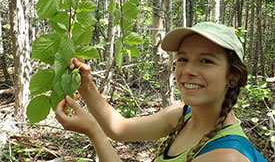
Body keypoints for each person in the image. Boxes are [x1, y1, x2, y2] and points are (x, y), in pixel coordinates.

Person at [55, 22, 268, 162]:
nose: (189, 71)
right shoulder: (184, 115)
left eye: (206, 61)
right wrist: (86, 87)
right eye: (183, 59)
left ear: (233, 76)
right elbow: (120, 128)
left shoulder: (225, 155)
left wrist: (94, 132)